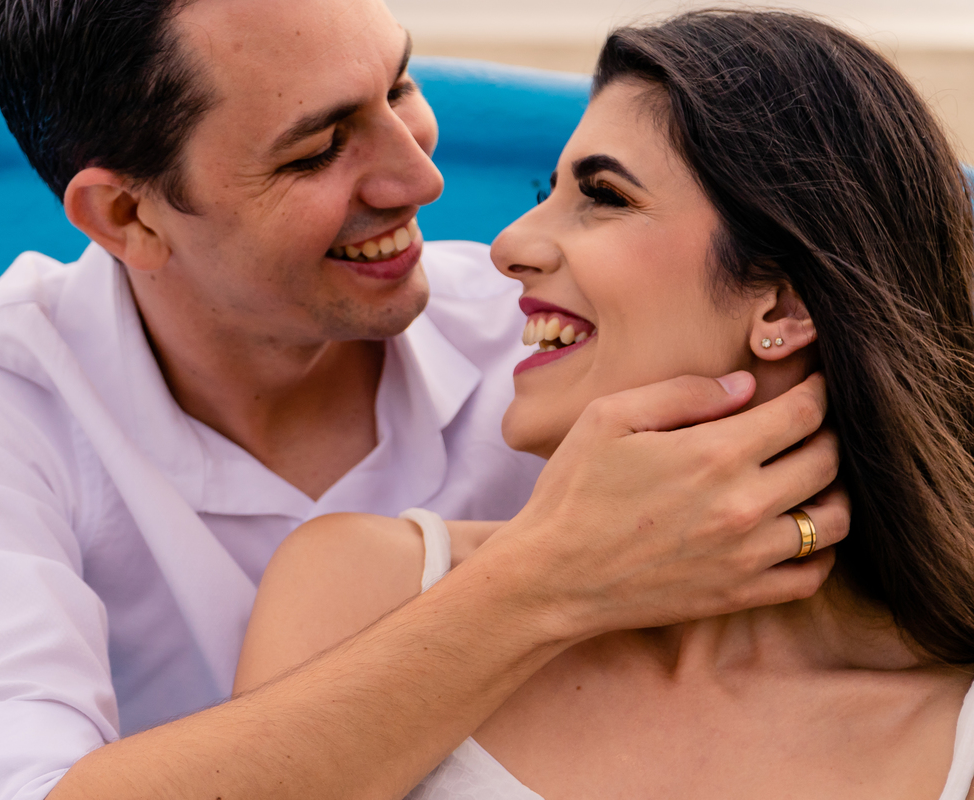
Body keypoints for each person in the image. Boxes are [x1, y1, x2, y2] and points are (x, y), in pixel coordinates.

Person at [0, 1, 844, 799]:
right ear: (128, 214)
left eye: (399, 85)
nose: (419, 177)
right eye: (317, 149)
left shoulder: (553, 335)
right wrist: (546, 581)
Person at [236, 9, 974, 798]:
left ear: (784, 305)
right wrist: (541, 582)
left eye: (604, 196)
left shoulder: (952, 722)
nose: (508, 246)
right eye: (547, 191)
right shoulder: (364, 584)